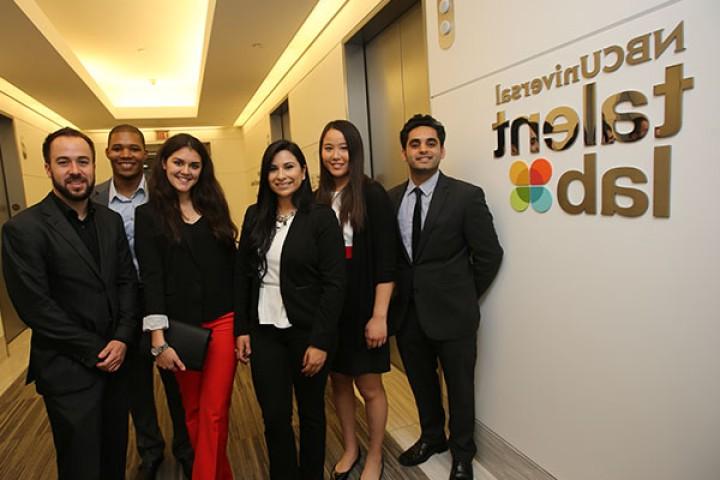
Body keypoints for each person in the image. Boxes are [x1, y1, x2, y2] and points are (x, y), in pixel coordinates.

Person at [1, 127, 138, 480]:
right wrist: (98, 350)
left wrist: (122, 338)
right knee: (80, 464)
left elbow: (126, 281)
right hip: (69, 369)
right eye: (64, 162)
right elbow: (36, 308)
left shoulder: (109, 220)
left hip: (117, 362)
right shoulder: (24, 228)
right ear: (48, 168)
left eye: (82, 161)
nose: (75, 170)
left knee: (113, 457)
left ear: (94, 166)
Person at [388, 114, 503, 480]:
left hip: (454, 314)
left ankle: (462, 454)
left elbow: (489, 254)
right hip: (408, 314)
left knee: (460, 388)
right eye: (415, 144)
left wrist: (464, 295)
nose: (423, 150)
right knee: (421, 383)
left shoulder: (466, 196)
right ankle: (432, 437)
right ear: (404, 151)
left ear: (442, 149)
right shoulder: (390, 200)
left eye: (430, 143)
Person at [235, 140, 345, 480]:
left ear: (303, 171)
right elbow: (242, 277)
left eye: (288, 167)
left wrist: (321, 341)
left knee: (311, 413)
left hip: (306, 331)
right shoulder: (255, 216)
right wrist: (242, 328)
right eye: (273, 168)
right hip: (264, 329)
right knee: (274, 415)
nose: (281, 175)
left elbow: (335, 284)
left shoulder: (321, 217)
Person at [134, 133, 238, 480]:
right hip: (180, 330)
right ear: (164, 164)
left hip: (222, 322)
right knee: (192, 411)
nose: (186, 171)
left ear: (202, 170)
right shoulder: (147, 215)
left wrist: (244, 328)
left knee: (214, 411)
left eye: (194, 165)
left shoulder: (214, 207)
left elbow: (231, 268)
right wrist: (158, 341)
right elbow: (152, 281)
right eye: (179, 162)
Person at [93, 124, 192, 479]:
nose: (126, 155)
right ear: (107, 152)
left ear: (144, 154)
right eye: (118, 148)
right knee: (136, 384)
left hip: (165, 301)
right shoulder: (93, 198)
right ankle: (150, 449)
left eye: (134, 149)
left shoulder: (165, 194)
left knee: (176, 379)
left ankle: (186, 446)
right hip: (121, 306)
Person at [315, 120, 395, 480]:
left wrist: (380, 315)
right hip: (330, 308)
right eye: (329, 147)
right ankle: (351, 446)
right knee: (339, 380)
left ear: (356, 151)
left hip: (364, 305)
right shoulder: (314, 198)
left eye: (344, 147)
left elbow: (387, 260)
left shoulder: (372, 194)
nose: (336, 155)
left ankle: (376, 454)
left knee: (369, 385)